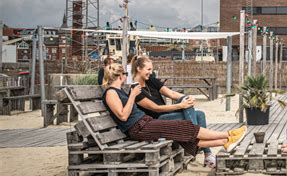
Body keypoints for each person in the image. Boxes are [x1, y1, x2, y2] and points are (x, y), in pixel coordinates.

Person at [101, 63, 247, 158]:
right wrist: (132, 95)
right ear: (120, 76)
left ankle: (226, 141)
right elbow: (123, 116)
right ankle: (229, 134)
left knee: (182, 135)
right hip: (138, 128)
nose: (126, 77)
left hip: (145, 123)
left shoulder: (118, 91)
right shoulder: (111, 93)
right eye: (125, 75)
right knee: (184, 127)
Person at [130, 55, 216, 168]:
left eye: (151, 69)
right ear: (139, 69)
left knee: (199, 114)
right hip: (156, 122)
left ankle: (207, 153)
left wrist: (187, 97)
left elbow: (171, 94)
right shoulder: (135, 90)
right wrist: (181, 105)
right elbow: (156, 108)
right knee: (186, 105)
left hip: (167, 116)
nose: (150, 72)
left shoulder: (150, 81)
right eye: (148, 69)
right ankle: (194, 139)